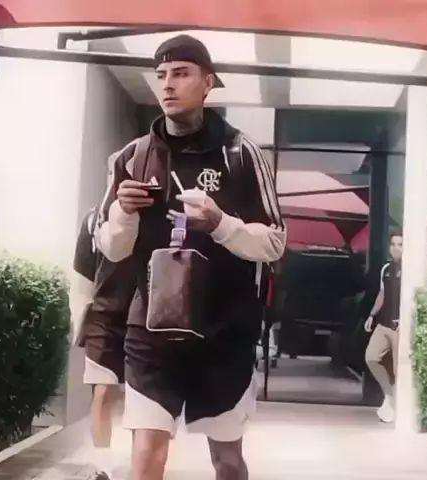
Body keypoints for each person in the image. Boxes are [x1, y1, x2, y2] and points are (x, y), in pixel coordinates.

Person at [95, 34, 286, 480]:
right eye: (161, 75)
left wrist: (220, 223)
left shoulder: (241, 153)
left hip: (224, 334)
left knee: (227, 461)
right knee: (146, 457)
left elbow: (275, 241)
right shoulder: (132, 157)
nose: (167, 84)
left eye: (181, 74)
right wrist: (123, 212)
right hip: (152, 334)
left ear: (208, 83)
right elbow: (111, 248)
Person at [69, 153, 136, 480]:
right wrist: (77, 317)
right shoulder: (94, 219)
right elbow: (83, 271)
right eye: (114, 172)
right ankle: (102, 466)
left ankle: (144, 462)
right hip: (103, 316)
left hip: (144, 317)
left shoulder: (155, 220)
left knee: (143, 398)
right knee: (103, 391)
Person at [364, 229, 403, 423]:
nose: (396, 248)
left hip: (399, 326)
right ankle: (390, 395)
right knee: (371, 357)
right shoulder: (386, 268)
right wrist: (372, 315)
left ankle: (397, 406)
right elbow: (382, 293)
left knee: (399, 369)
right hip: (383, 324)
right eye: (393, 244)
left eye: (400, 244)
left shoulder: (411, 269)